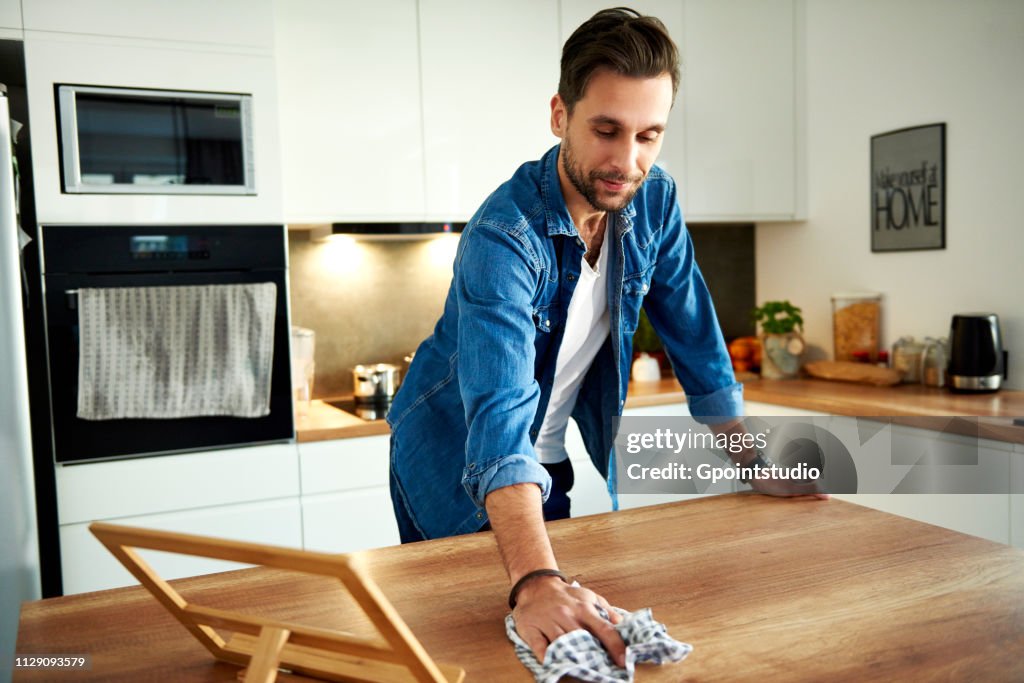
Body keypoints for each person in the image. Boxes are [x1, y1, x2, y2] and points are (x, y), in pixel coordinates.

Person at [387, 7, 825, 667]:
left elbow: (697, 338)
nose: (628, 161)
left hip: (547, 465)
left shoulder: (654, 201)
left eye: (650, 135)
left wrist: (755, 464)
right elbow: (500, 422)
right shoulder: (503, 238)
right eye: (607, 130)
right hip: (454, 460)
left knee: (553, 645)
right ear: (560, 114)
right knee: (467, 652)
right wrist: (535, 578)